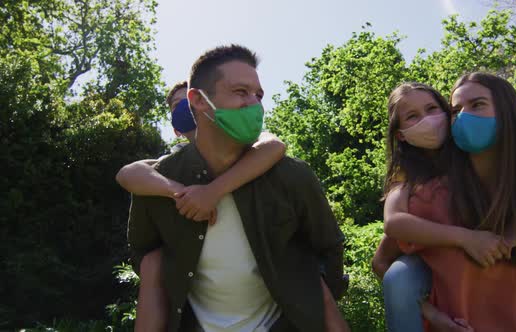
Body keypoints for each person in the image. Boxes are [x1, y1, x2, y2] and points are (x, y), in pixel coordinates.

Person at [126, 44, 348, 332]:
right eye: (240, 92)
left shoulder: (292, 176)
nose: (254, 104)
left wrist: (310, 302)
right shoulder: (158, 184)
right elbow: (145, 256)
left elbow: (328, 248)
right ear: (198, 100)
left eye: (258, 95)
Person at [374, 79, 516, 331]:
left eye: (433, 109)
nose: (465, 116)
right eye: (457, 111)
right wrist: (468, 239)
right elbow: (389, 245)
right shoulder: (421, 193)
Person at [117, 80, 290, 331]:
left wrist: (212, 192)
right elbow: (128, 173)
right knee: (152, 263)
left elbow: (274, 145)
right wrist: (180, 192)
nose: (187, 109)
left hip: (267, 310)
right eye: (178, 106)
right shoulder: (169, 165)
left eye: (191, 102)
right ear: (176, 128)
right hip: (201, 314)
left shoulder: (246, 147)